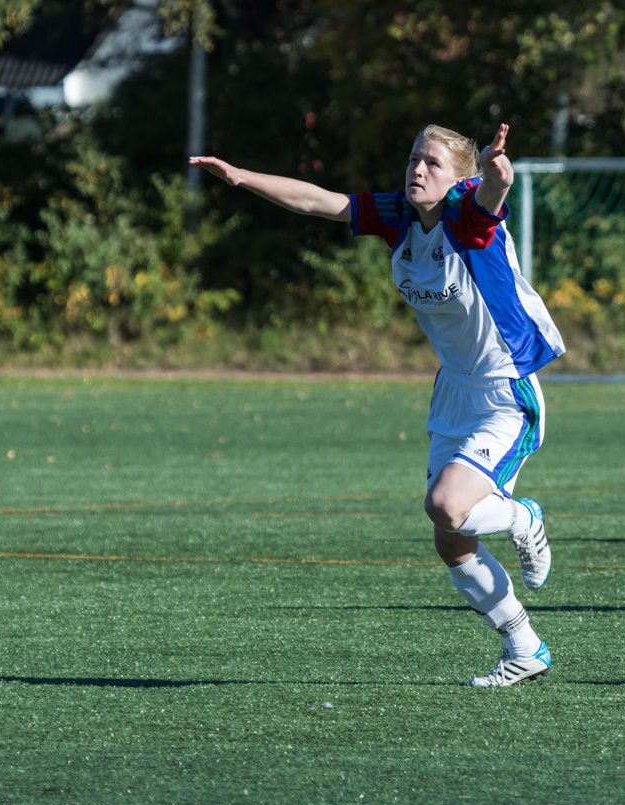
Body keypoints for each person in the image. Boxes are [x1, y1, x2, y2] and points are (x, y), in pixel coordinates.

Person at [190, 123, 566, 680]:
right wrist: (241, 177)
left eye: (432, 164)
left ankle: (521, 517)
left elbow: (492, 195)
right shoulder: (399, 217)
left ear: (459, 178)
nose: (417, 170)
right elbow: (321, 202)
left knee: (445, 505)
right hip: (454, 390)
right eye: (414, 159)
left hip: (505, 389)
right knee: (451, 541)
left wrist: (497, 176)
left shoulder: (469, 215)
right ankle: (523, 647)